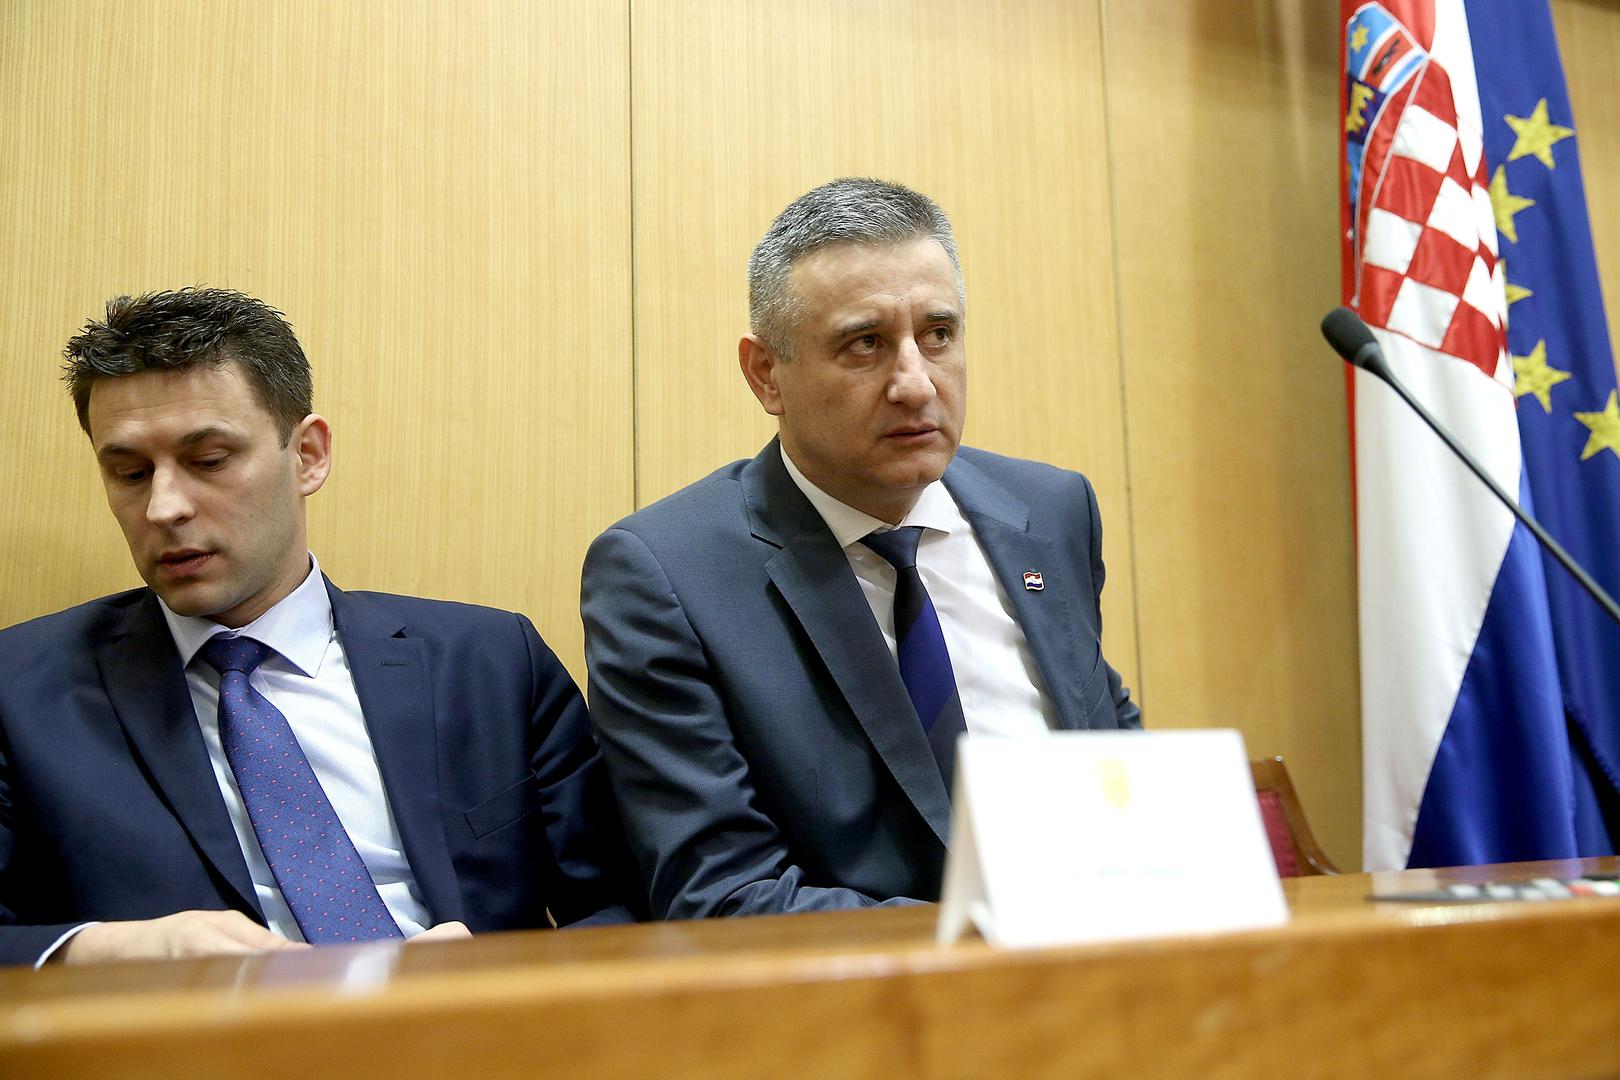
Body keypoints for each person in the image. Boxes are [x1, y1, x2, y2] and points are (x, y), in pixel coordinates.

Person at [0, 288, 637, 967]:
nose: (164, 507)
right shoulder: (20, 692)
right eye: (129, 473)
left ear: (307, 455)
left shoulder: (491, 663)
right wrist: (101, 948)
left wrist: (500, 978)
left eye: (209, 461)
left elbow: (623, 906)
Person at [582, 177, 1140, 920]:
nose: (915, 384)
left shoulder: (1049, 511)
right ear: (766, 374)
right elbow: (724, 897)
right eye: (865, 344)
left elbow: (1115, 756)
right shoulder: (667, 577)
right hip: (875, 985)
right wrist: (990, 940)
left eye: (938, 335)